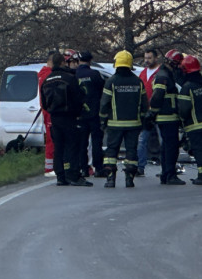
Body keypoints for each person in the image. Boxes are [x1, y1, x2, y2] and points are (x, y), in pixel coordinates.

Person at [40, 51, 91, 186]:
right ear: (63, 62)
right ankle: (73, 175)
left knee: (58, 147)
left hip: (54, 118)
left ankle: (60, 177)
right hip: (70, 117)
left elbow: (44, 103)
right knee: (72, 146)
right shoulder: (69, 78)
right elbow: (79, 97)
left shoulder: (47, 80)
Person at [99, 50, 148, 188]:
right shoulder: (138, 82)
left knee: (111, 151)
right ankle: (129, 179)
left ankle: (110, 179)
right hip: (134, 124)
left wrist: (102, 120)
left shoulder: (111, 82)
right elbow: (144, 104)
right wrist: (144, 119)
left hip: (114, 124)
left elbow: (104, 103)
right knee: (131, 151)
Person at [177, 55, 202, 185]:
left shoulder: (187, 87)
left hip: (195, 125)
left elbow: (184, 109)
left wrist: (181, 120)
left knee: (200, 151)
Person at [148, 53, 184, 185]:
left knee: (167, 147)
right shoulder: (163, 76)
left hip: (168, 117)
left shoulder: (166, 74)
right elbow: (157, 96)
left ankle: (166, 174)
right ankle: (170, 175)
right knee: (171, 147)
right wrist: (154, 112)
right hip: (167, 117)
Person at [76, 50, 105, 179]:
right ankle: (98, 168)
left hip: (80, 114)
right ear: (90, 61)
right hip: (95, 113)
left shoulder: (74, 74)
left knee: (82, 143)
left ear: (78, 61)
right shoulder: (95, 74)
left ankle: (84, 169)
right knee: (96, 142)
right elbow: (102, 91)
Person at [137, 48, 162, 176]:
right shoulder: (142, 73)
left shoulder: (161, 73)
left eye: (149, 58)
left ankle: (167, 168)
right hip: (146, 113)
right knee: (142, 140)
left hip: (159, 112)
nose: (147, 60)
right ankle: (140, 167)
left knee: (163, 140)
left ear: (156, 58)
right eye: (145, 58)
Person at [37, 53, 55, 176]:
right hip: (50, 111)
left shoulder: (42, 73)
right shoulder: (48, 75)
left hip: (46, 110)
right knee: (52, 139)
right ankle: (49, 168)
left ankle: (50, 167)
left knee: (51, 138)